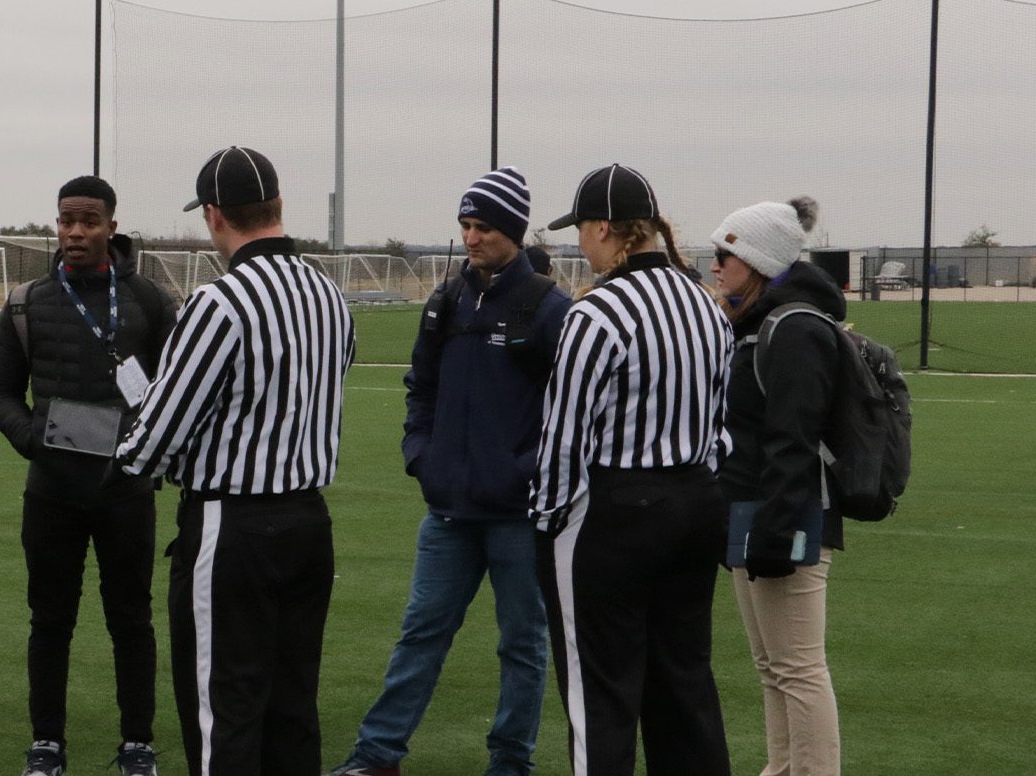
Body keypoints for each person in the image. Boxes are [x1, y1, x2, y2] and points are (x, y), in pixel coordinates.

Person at [117, 146, 356, 776]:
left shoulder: (218, 303)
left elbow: (153, 442)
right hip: (309, 520)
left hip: (234, 529)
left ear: (215, 214)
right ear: (278, 205)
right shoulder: (331, 297)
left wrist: (134, 449)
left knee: (225, 711)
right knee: (294, 707)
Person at [327, 167, 569, 776]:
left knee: (522, 646)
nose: (471, 237)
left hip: (518, 514)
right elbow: (422, 388)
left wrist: (526, 471)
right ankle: (378, 756)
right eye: (465, 225)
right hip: (449, 513)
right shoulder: (447, 299)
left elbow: (572, 409)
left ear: (512, 230)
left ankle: (509, 763)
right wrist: (420, 454)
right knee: (419, 636)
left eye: (483, 226)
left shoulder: (548, 307)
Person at [531, 164, 735, 775]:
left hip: (619, 511)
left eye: (581, 231)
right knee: (685, 685)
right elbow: (721, 427)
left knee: (601, 695)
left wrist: (545, 525)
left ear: (604, 229)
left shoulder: (596, 314)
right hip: (698, 502)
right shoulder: (705, 305)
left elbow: (563, 438)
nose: (578, 243)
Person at [0, 176, 175, 776]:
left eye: (88, 221)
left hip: (126, 491)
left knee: (131, 619)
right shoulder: (27, 302)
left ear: (111, 227)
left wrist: (148, 449)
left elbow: (174, 393)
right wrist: (33, 439)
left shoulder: (149, 301)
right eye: (66, 220)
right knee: (50, 620)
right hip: (52, 493)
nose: (74, 232)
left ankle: (137, 744)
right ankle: (47, 744)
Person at [710, 197, 844, 776]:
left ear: (760, 262)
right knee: (772, 668)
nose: (714, 266)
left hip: (784, 518)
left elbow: (794, 441)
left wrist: (776, 528)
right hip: (752, 514)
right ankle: (782, 768)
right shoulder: (756, 325)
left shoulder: (793, 329)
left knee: (798, 668)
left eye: (725, 256)